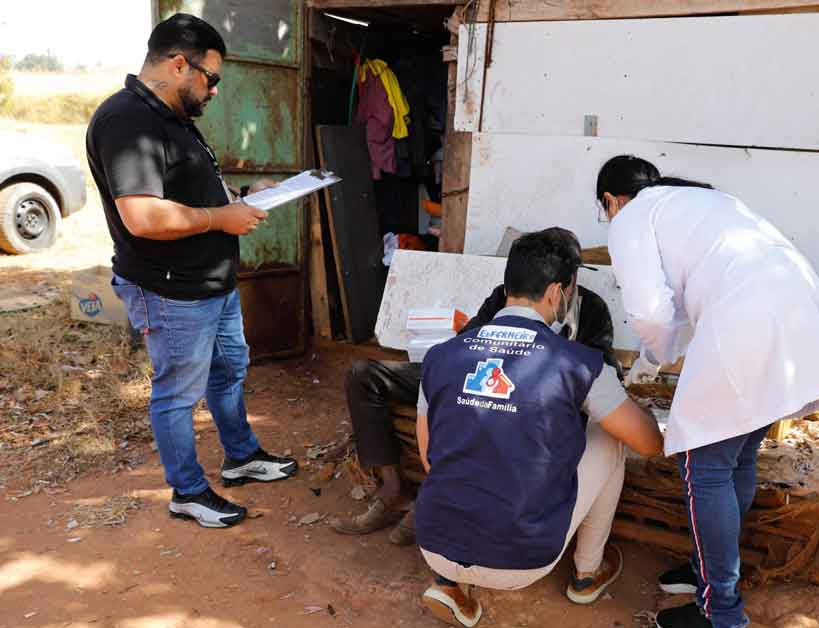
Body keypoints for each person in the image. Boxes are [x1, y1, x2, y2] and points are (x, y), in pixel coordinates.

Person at [597, 155, 819, 628]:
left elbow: (650, 309)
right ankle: (707, 571)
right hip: (795, 311)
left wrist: (656, 355)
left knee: (703, 465)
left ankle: (722, 617)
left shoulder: (631, 216)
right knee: (736, 457)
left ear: (610, 200)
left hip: (752, 321)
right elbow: (695, 295)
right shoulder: (704, 201)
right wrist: (666, 350)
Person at [86, 13, 297, 529]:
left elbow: (188, 191)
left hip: (211, 283)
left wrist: (238, 201)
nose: (215, 91)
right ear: (180, 65)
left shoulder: (173, 119)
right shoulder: (127, 121)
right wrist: (219, 218)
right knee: (178, 393)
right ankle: (187, 491)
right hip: (170, 290)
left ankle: (241, 456)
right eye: (212, 78)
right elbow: (142, 215)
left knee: (228, 372)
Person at [413, 230, 664, 628]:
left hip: (434, 544)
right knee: (611, 433)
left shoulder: (442, 356)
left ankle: (452, 583)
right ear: (557, 293)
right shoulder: (577, 362)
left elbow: (430, 457)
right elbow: (648, 444)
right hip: (522, 559)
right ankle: (587, 573)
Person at [331, 227, 621, 544]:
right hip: (483, 381)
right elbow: (465, 347)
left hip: (532, 404)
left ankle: (435, 498)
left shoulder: (591, 310)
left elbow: (602, 376)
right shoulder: (504, 297)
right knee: (364, 374)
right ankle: (393, 490)